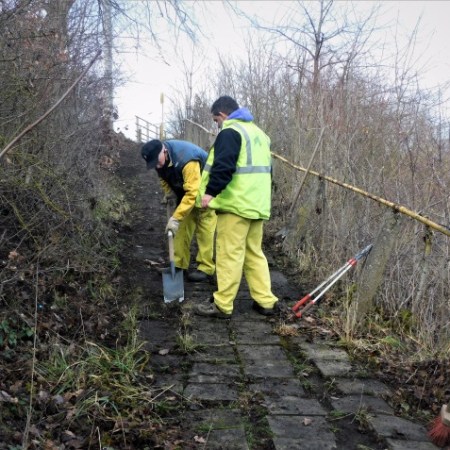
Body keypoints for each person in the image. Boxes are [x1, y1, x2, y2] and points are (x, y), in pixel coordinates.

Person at [194, 96, 278, 318]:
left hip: (235, 205)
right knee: (254, 253)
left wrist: (210, 193)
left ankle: (222, 304)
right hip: (257, 205)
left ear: (222, 115)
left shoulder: (231, 132)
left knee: (229, 254)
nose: (216, 125)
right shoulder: (260, 134)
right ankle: (265, 301)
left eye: (215, 120)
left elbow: (224, 166)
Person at [141, 139, 217, 282]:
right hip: (188, 193)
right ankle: (178, 265)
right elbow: (164, 178)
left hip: (206, 193)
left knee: (204, 230)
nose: (157, 166)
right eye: (153, 164)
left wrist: (175, 217)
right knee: (181, 229)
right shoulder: (159, 161)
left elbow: (193, 193)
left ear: (164, 151)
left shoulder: (187, 160)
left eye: (157, 161)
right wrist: (169, 193)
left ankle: (206, 268)